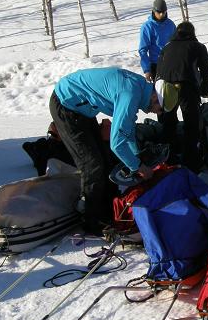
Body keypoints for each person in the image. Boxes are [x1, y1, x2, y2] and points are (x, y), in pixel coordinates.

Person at [49, 67, 163, 234]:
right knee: (92, 164)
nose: (156, 112)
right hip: (66, 103)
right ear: (154, 96)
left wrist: (137, 157)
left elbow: (128, 131)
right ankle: (91, 220)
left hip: (82, 108)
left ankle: (110, 209)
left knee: (106, 159)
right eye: (159, 108)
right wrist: (138, 167)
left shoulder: (139, 88)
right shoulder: (130, 95)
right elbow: (117, 144)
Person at [155, 21, 208, 172]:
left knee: (168, 123)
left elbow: (158, 71)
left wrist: (157, 96)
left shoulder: (166, 47)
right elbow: (206, 71)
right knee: (191, 124)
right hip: (187, 87)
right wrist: (204, 90)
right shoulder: (197, 46)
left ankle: (169, 160)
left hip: (165, 87)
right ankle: (192, 162)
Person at [138, 0, 176, 82]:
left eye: (164, 12)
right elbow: (143, 50)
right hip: (156, 65)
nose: (162, 14)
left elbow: (177, 44)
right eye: (159, 12)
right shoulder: (147, 27)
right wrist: (147, 70)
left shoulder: (170, 24)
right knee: (160, 93)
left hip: (171, 64)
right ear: (154, 11)